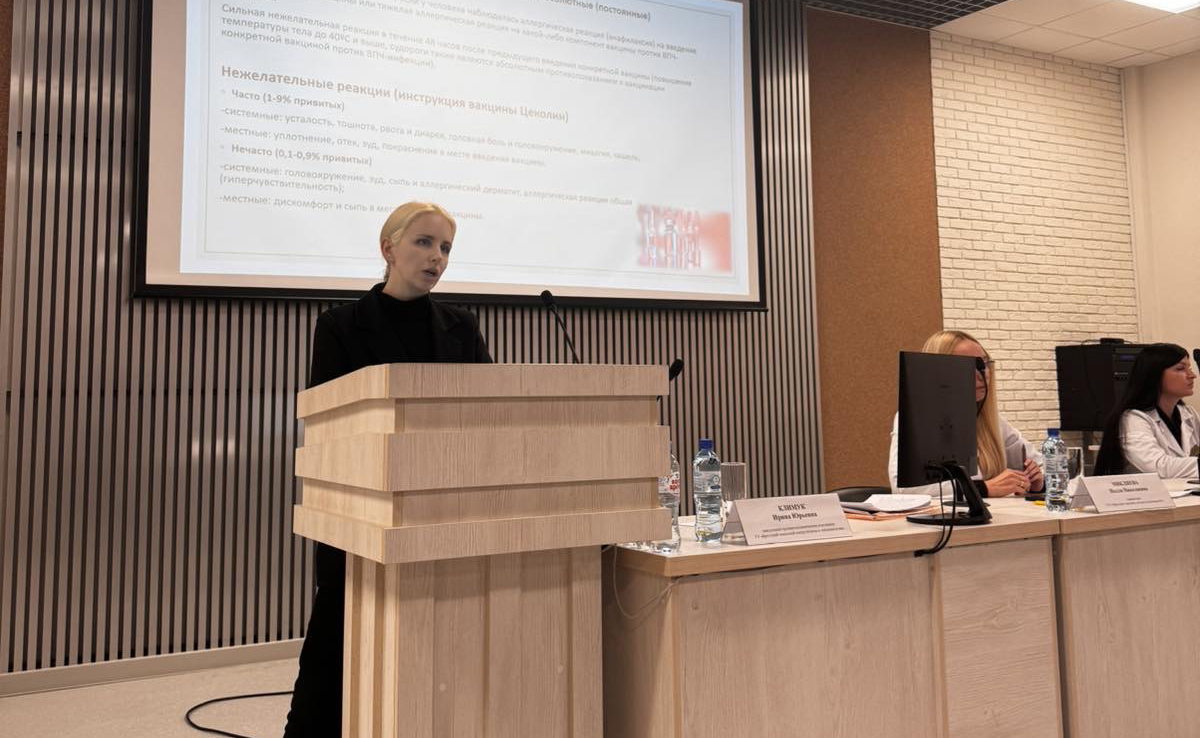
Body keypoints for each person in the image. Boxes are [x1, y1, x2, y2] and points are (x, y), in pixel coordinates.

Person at [283, 201, 491, 738]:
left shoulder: (462, 326)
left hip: (444, 507)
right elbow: (328, 423)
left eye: (445, 247)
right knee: (336, 641)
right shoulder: (341, 326)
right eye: (424, 242)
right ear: (388, 249)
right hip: (362, 510)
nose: (437, 257)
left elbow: (490, 411)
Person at [888, 330, 1044, 497]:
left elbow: (1042, 464)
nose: (982, 374)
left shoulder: (991, 421)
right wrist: (982, 488)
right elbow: (904, 488)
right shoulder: (916, 419)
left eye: (983, 363)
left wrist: (1037, 480)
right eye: (968, 366)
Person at [1094, 343, 1199, 479]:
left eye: (1190, 368)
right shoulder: (1133, 419)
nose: (1192, 375)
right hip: (1143, 492)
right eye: (1180, 369)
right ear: (1154, 375)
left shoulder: (1188, 414)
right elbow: (1158, 467)